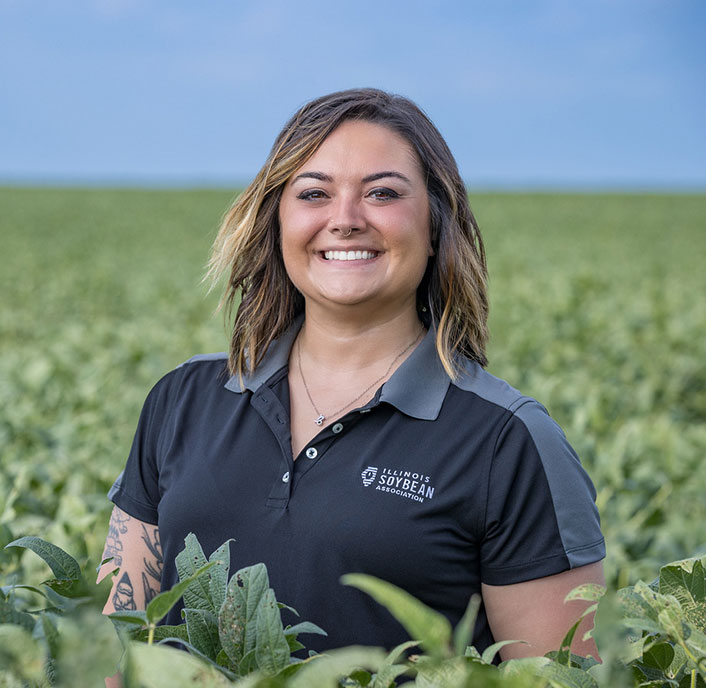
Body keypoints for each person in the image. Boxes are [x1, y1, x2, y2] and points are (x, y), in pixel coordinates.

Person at [98, 88, 605, 661]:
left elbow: (557, 676)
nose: (344, 220)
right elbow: (119, 645)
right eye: (314, 193)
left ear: (435, 223)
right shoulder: (181, 400)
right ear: (277, 220)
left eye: (382, 193)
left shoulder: (508, 442)